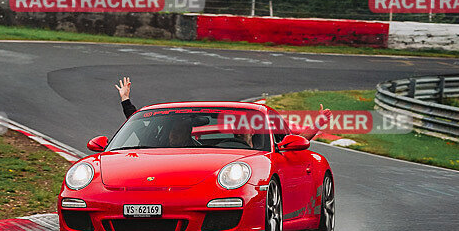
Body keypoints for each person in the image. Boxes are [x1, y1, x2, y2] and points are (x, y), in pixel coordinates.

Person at [114, 76, 331, 142]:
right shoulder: (155, 142)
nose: (174, 133)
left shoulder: (261, 148)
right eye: (175, 129)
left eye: (243, 126)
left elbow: (297, 140)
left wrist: (318, 124)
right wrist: (125, 100)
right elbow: (139, 122)